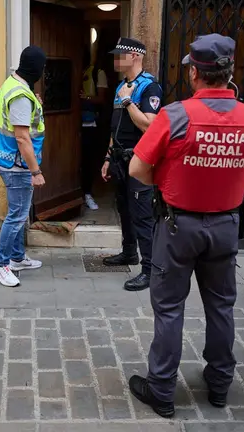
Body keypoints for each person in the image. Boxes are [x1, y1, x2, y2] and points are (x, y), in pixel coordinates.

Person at [126, 34, 244, 417]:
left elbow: (138, 168)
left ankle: (162, 390)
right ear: (230, 72)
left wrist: (172, 181)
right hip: (225, 224)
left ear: (194, 73)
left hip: (178, 226)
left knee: (169, 308)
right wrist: (228, 182)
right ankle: (220, 384)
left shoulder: (175, 116)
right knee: (221, 306)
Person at [100, 37, 162, 292]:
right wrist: (108, 157)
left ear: (135, 56)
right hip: (119, 158)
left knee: (142, 215)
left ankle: (150, 270)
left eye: (120, 55)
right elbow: (115, 127)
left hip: (139, 160)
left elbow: (150, 126)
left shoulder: (149, 87)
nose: (115, 59)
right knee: (124, 208)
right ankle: (129, 253)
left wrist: (128, 102)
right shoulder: (121, 87)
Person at [0, 46, 47, 287]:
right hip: (17, 164)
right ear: (36, 68)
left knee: (18, 213)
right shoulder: (21, 95)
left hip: (8, 158)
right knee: (17, 216)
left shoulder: (13, 83)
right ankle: (0, 265)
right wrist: (36, 171)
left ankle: (17, 258)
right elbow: (22, 138)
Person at [80, 48, 109, 210]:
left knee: (88, 159)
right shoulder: (79, 71)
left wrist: (87, 97)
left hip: (90, 123)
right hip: (70, 123)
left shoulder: (98, 73)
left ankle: (87, 193)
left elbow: (102, 99)